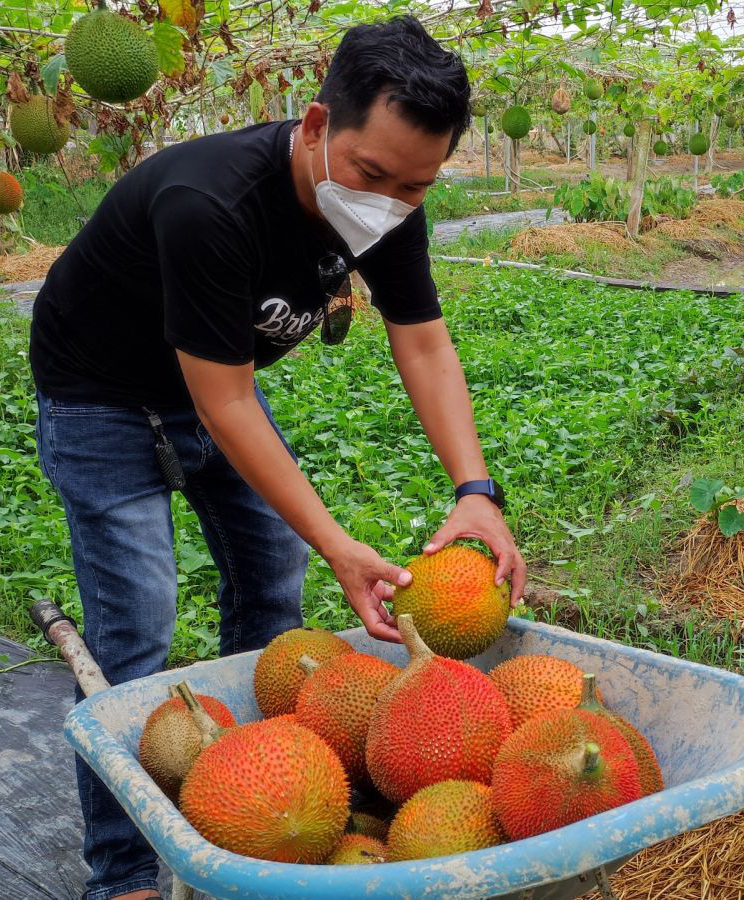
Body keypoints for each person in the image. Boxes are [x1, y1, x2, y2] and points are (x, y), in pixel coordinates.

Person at [28, 15, 527, 900]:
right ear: (312, 126)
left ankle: (262, 804)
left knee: (271, 578)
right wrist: (343, 542)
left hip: (210, 388)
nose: (389, 199)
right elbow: (225, 403)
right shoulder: (208, 203)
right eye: (372, 174)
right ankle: (123, 874)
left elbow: (423, 345)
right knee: (135, 630)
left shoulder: (391, 205)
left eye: (417, 183)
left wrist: (476, 490)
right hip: (99, 394)